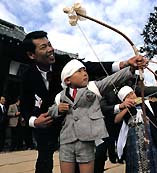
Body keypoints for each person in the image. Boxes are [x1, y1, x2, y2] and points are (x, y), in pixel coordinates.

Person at [20, 30, 148, 173]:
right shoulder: (27, 76)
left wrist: (125, 64)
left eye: (49, 44)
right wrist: (35, 121)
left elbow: (93, 67)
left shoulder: (63, 62)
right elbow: (25, 106)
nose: (50, 49)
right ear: (32, 55)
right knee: (44, 160)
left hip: (76, 125)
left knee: (87, 158)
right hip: (47, 123)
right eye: (43, 47)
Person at [47, 58, 143, 173]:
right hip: (66, 141)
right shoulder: (60, 96)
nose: (85, 73)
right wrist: (57, 109)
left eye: (85, 70)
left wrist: (131, 68)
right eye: (79, 71)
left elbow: (112, 79)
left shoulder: (93, 87)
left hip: (86, 141)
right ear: (67, 80)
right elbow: (50, 111)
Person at [115, 85, 157, 173]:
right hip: (134, 144)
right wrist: (126, 106)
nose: (132, 96)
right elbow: (116, 120)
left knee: (155, 162)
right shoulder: (123, 109)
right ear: (123, 99)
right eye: (128, 95)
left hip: (152, 139)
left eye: (132, 93)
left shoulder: (147, 103)